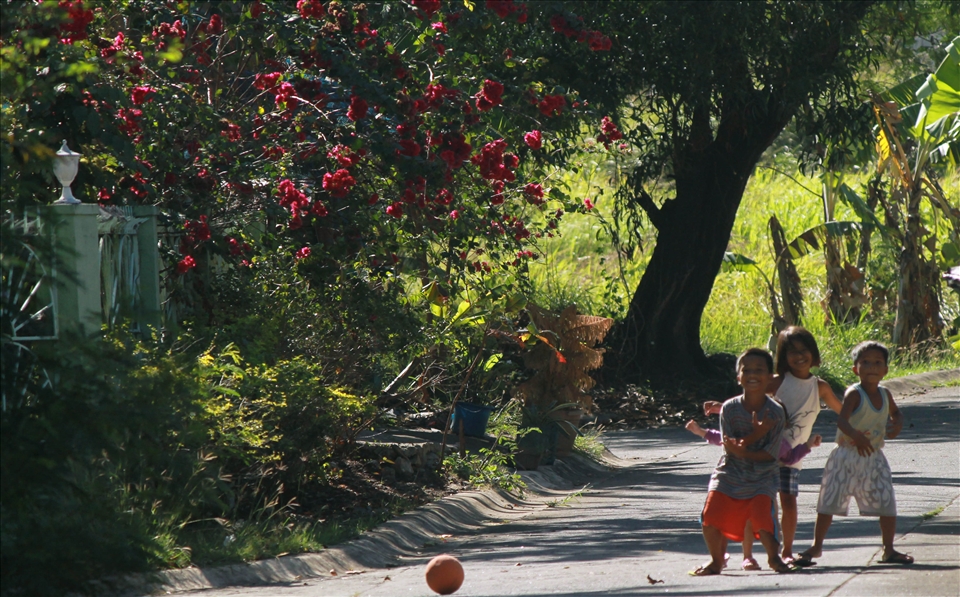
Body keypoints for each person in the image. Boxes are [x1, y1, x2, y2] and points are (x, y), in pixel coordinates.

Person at [705, 326, 842, 564]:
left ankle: (786, 551)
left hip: (791, 455)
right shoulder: (777, 382)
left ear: (813, 352)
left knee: (788, 502)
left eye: (804, 350)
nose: (799, 356)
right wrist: (721, 407)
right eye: (792, 352)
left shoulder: (820, 387)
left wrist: (863, 420)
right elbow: (751, 394)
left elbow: (843, 411)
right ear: (783, 357)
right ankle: (747, 556)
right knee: (755, 501)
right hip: (761, 451)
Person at [795, 341, 913, 567]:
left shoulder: (886, 394)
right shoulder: (854, 393)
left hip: (874, 456)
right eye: (865, 362)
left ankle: (889, 549)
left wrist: (897, 424)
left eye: (878, 363)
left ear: (886, 370)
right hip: (846, 456)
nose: (872, 367)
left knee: (886, 502)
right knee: (829, 502)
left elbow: (896, 414)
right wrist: (856, 437)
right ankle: (817, 546)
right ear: (855, 369)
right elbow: (842, 419)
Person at [691, 348, 793, 576]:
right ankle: (716, 561)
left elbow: (770, 455)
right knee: (710, 515)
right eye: (746, 370)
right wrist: (756, 436)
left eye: (759, 370)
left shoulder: (775, 412)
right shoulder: (729, 408)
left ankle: (774, 558)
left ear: (770, 377)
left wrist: (746, 447)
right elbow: (729, 446)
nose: (753, 374)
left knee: (762, 518)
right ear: (738, 377)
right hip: (730, 471)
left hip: (762, 475)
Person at [686, 417, 822, 570]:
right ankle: (730, 556)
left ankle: (772, 558)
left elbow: (790, 457)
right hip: (734, 482)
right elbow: (722, 438)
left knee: (763, 522)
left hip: (760, 485)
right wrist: (700, 431)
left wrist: (808, 445)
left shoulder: (778, 442)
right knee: (720, 518)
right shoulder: (744, 434)